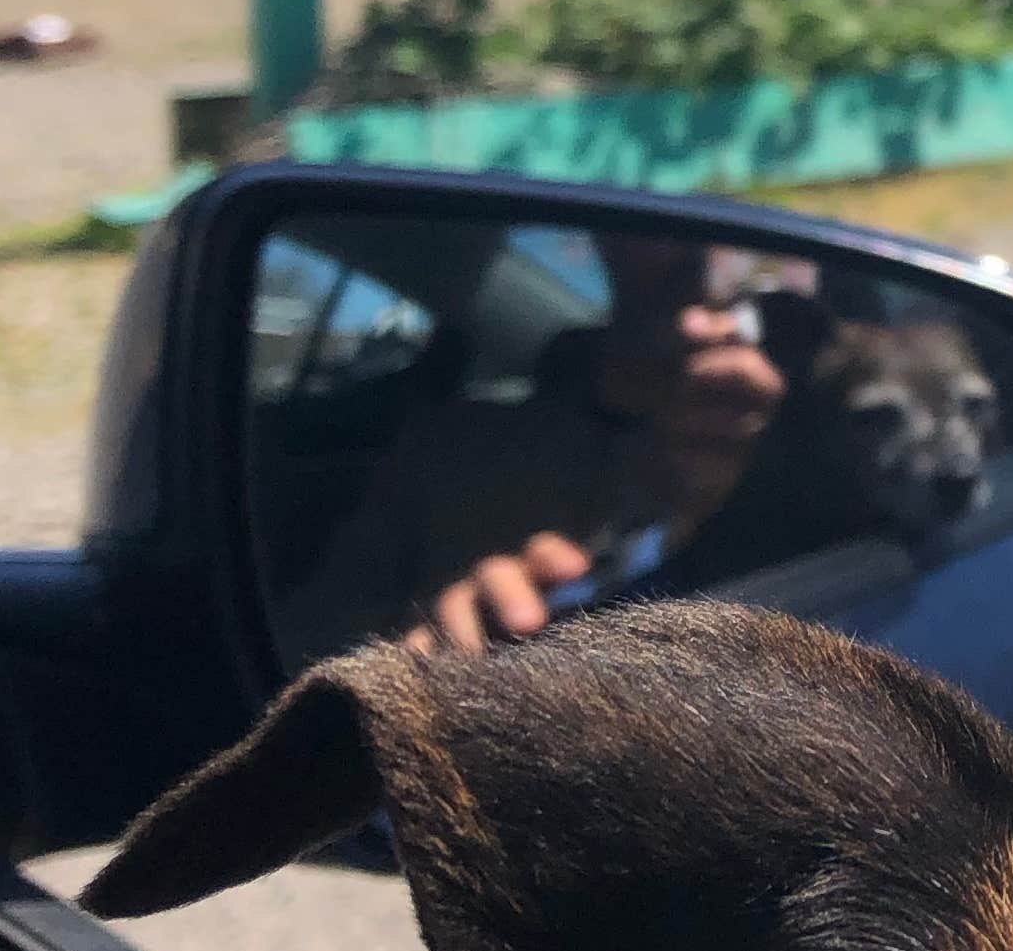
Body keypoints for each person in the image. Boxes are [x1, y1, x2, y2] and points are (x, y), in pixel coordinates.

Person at [277, 235, 788, 663]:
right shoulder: (455, 450)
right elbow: (313, 640)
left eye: (745, 250)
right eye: (670, 220)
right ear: (608, 240)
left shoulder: (793, 441)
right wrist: (428, 649)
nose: (706, 259)